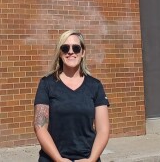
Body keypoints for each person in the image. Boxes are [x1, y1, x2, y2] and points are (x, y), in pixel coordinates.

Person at [34, 30, 110, 162]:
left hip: (87, 159)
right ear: (60, 52)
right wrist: (59, 159)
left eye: (76, 48)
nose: (70, 52)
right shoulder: (47, 84)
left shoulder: (95, 86)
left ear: (83, 52)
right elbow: (40, 126)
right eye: (65, 48)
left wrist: (91, 159)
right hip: (52, 159)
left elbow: (103, 130)